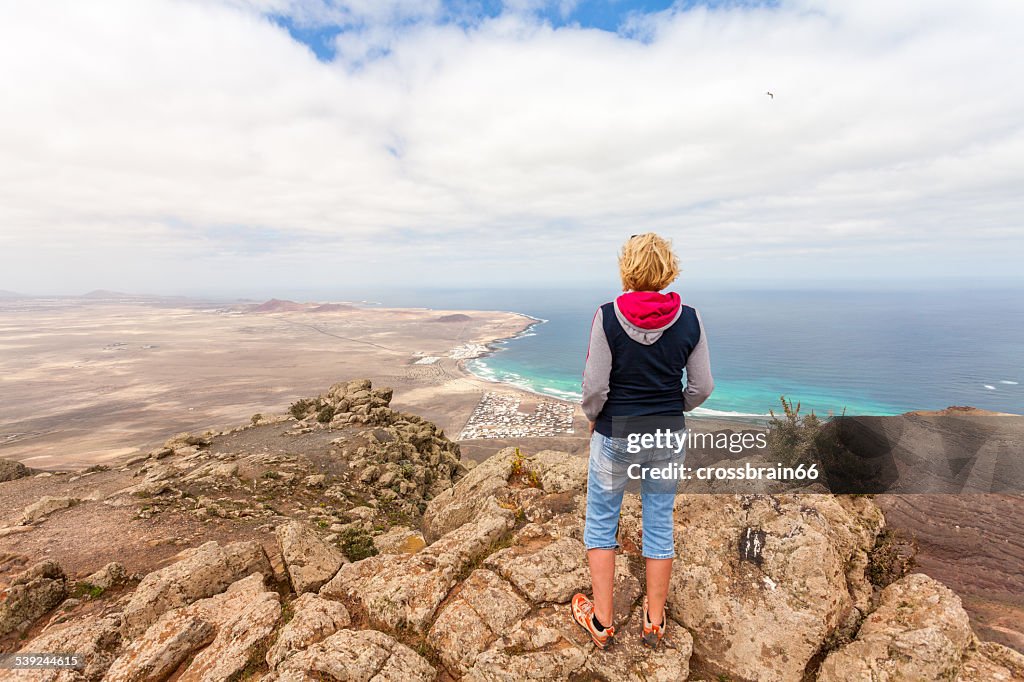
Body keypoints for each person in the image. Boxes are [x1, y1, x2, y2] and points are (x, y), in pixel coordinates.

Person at [570, 232, 714, 650]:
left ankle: (601, 621)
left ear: (626, 268)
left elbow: (594, 387)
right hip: (667, 433)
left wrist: (594, 418)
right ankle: (654, 622)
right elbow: (702, 386)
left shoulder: (607, 316)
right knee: (658, 520)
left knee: (601, 521)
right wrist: (675, 407)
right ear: (668, 267)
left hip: (616, 431)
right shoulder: (690, 318)